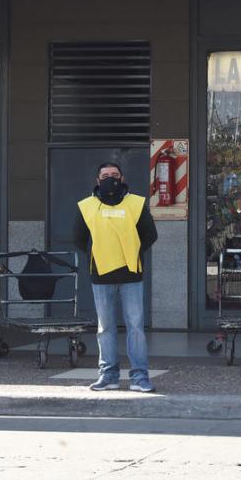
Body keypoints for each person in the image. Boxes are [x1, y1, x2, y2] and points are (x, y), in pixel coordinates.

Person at [73, 162, 158, 393]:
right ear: (97, 180)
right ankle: (108, 375)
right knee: (105, 328)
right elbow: (78, 238)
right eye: (105, 175)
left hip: (131, 274)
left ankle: (139, 377)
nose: (110, 178)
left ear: (122, 178)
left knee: (136, 328)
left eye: (114, 175)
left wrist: (130, 253)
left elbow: (150, 235)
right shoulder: (87, 206)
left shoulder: (136, 203)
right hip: (101, 275)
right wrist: (100, 255)